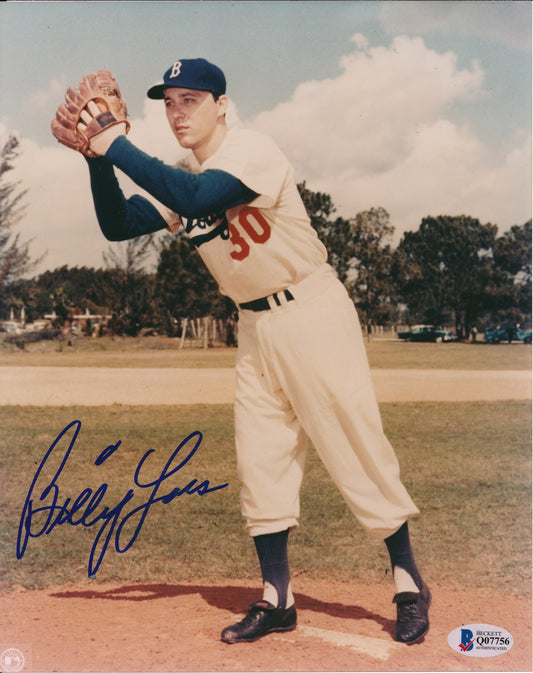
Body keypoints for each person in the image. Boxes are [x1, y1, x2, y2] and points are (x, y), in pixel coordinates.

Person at [72, 58, 431, 645]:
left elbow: (195, 194)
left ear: (221, 104)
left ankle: (408, 582)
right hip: (254, 326)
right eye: (169, 102)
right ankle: (277, 597)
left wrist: (111, 141)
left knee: (354, 444)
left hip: (312, 310)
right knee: (260, 460)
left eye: (191, 99)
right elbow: (117, 225)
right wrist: (96, 162)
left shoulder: (251, 150)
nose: (177, 111)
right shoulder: (182, 171)